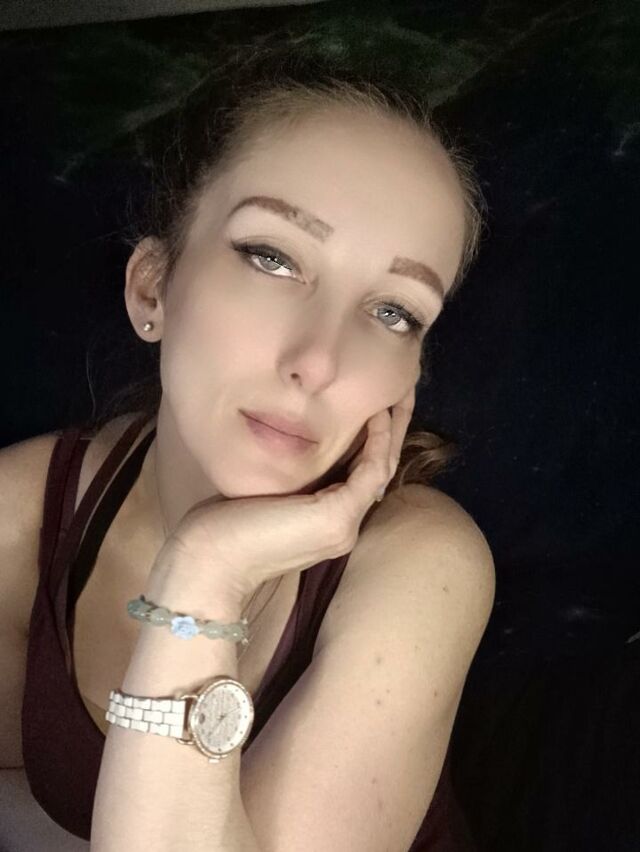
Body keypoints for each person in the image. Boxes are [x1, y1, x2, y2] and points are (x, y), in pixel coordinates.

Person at [0, 44, 495, 850]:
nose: (319, 361)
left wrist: (205, 576)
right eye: (274, 258)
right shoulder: (19, 521)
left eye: (394, 312)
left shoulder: (423, 563)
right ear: (153, 287)